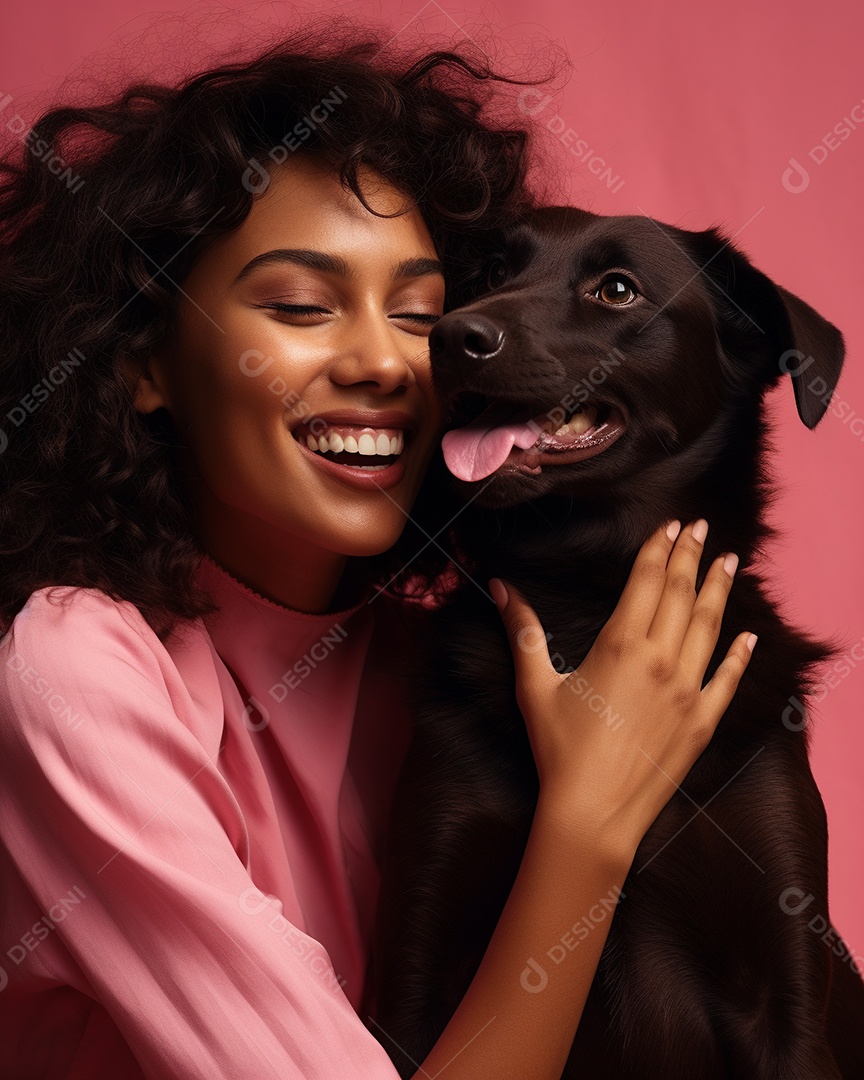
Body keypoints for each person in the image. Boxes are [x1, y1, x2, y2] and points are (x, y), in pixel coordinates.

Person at [0, 24, 756, 1080]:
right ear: (144, 363)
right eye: (302, 307)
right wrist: (588, 829)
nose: (385, 364)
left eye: (424, 317)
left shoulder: (453, 668)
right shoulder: (76, 673)